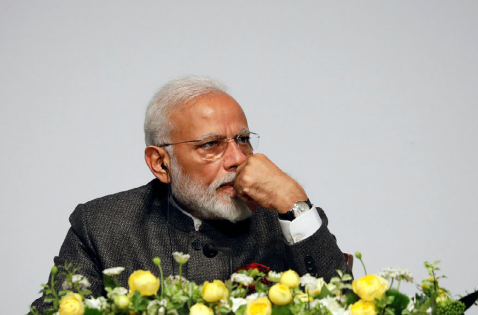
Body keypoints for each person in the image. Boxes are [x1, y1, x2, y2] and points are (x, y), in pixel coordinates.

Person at [30, 76, 350, 312]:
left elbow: (347, 306)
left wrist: (294, 202)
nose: (238, 158)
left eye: (243, 139)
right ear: (161, 163)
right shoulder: (101, 225)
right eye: (210, 145)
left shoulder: (287, 218)